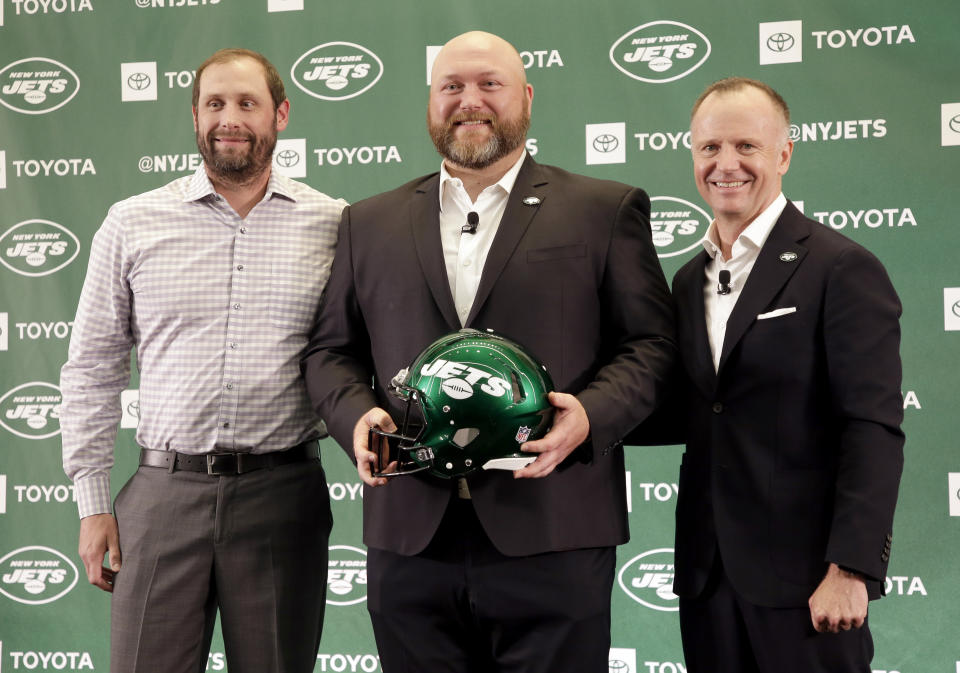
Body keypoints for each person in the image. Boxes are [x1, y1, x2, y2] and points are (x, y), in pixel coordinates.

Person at [301, 30, 676, 673]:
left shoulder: (603, 210)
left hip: (555, 531)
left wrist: (591, 415)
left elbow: (652, 345)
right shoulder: (368, 222)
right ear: (429, 103)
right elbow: (330, 351)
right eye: (451, 86)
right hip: (411, 541)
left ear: (526, 97)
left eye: (488, 84)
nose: (469, 100)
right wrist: (353, 416)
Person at [60, 48, 346, 673]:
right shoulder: (132, 222)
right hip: (162, 497)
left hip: (284, 497)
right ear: (195, 116)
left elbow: (350, 360)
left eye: (247, 103)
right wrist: (93, 504)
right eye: (214, 103)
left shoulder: (335, 225)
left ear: (282, 114)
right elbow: (91, 369)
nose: (230, 118)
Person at [669, 77, 904, 672]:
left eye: (747, 146)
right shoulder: (684, 280)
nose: (727, 164)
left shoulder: (842, 268)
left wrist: (850, 569)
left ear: (784, 154)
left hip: (809, 584)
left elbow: (872, 428)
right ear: (693, 155)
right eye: (710, 148)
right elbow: (689, 408)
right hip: (707, 578)